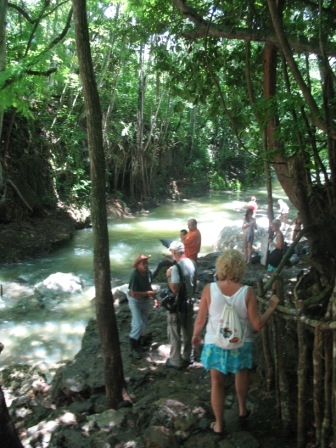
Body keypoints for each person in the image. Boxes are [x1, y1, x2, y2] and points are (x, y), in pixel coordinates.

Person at [192, 249, 279, 435]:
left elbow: (200, 319)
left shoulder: (209, 289)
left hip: (214, 342)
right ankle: (241, 410)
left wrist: (195, 335)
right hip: (240, 342)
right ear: (240, 268)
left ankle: (219, 424)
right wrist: (271, 308)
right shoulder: (248, 292)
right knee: (241, 373)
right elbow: (256, 325)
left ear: (221, 266)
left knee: (216, 382)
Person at [165, 241, 197, 369]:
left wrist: (168, 276)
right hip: (189, 301)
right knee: (188, 330)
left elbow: (174, 288)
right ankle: (188, 356)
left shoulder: (176, 268)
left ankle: (175, 360)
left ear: (174, 252)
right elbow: (194, 281)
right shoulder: (192, 263)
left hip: (178, 304)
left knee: (174, 331)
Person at [128, 254, 159, 359]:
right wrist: (148, 293)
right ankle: (133, 347)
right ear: (137, 265)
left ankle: (140, 341)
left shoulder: (148, 273)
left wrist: (155, 299)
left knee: (144, 322)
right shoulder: (134, 274)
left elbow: (149, 286)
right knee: (137, 323)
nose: (146, 265)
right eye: (143, 263)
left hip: (144, 300)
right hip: (135, 301)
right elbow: (133, 294)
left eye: (147, 262)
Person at [267, 219, 284, 293]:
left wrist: (271, 243)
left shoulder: (279, 234)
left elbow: (280, 246)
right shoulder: (276, 234)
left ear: (278, 226)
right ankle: (274, 289)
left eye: (273, 225)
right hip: (273, 254)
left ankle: (275, 290)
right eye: (271, 225)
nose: (272, 227)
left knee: (274, 274)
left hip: (276, 256)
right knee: (272, 273)